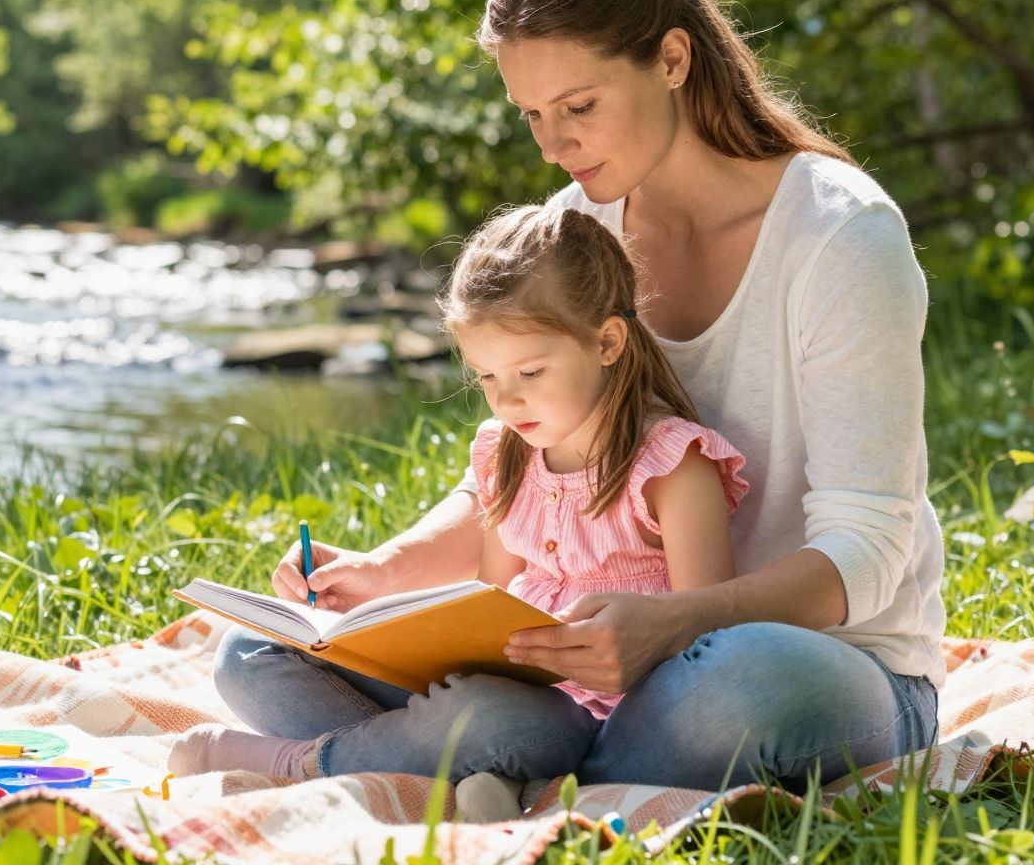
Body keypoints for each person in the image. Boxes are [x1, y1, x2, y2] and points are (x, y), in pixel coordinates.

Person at [191, 0, 945, 809]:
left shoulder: (838, 235)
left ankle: (471, 761)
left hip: (809, 664)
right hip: (585, 682)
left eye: (579, 107)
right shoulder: (578, 228)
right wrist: (382, 574)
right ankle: (524, 757)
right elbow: (514, 473)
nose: (553, 146)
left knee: (744, 678)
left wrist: (674, 624)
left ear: (673, 58)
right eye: (532, 115)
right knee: (256, 652)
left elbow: (868, 551)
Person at [168, 201, 751, 785]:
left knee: (487, 720)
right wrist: (381, 626)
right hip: (496, 694)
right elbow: (487, 605)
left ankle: (303, 763)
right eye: (487, 376)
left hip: (597, 724)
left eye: (530, 373)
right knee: (248, 649)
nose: (507, 400)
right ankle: (458, 769)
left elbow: (708, 646)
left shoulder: (672, 467)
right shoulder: (509, 454)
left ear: (607, 343)